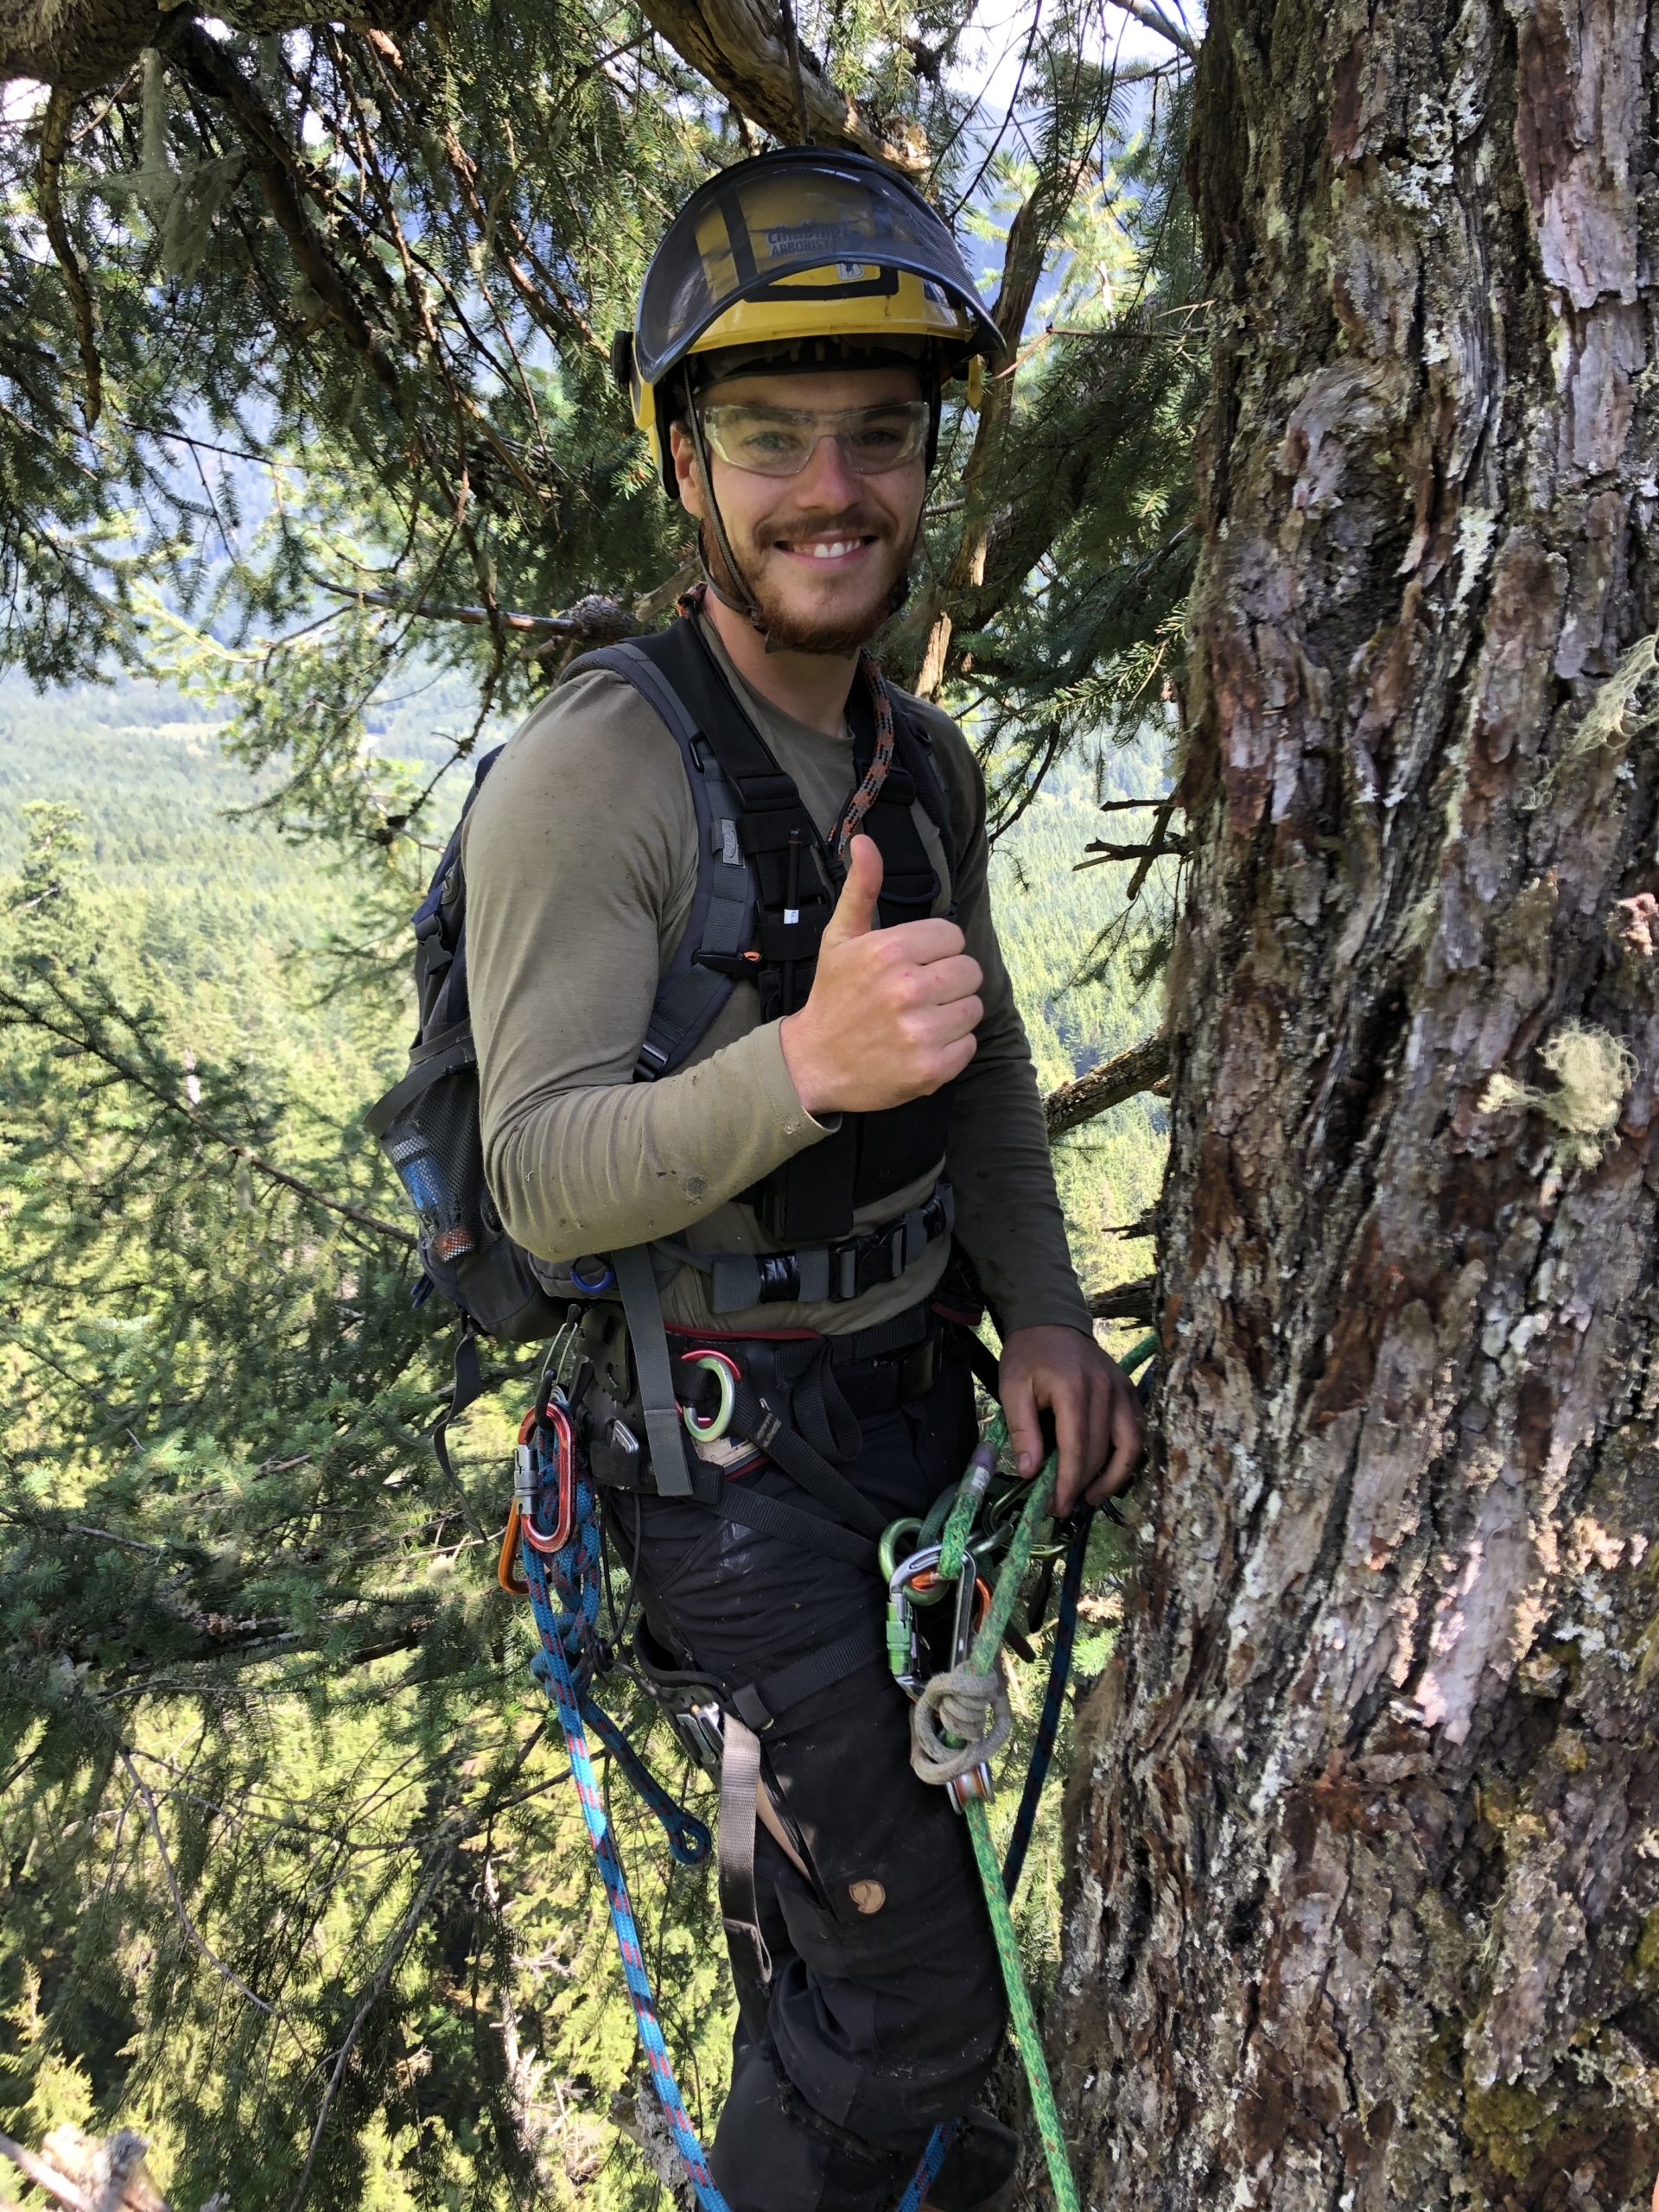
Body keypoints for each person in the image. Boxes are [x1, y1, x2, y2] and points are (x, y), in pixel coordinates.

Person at [461, 147, 1142, 2212]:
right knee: (918, 2018)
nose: (830, 488)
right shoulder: (597, 776)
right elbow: (540, 1173)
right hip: (725, 1472)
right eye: (770, 437)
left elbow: (987, 1047)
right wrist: (804, 1063)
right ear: (684, 466)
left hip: (906, 1412)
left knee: (874, 1957)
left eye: (877, 435)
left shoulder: (914, 762)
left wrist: (1041, 1301)